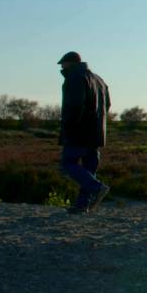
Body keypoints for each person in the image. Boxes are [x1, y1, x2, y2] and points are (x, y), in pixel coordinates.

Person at [57, 51, 111, 214]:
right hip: (96, 134)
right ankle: (82, 205)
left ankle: (97, 188)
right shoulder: (99, 80)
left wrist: (69, 127)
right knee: (88, 168)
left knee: (68, 163)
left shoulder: (73, 77)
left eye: (63, 64)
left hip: (78, 131)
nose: (61, 68)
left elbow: (74, 106)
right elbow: (107, 105)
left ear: (70, 63)